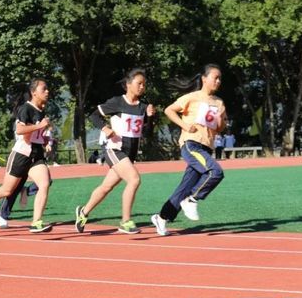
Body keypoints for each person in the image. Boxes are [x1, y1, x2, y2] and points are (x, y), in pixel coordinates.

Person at [75, 68, 156, 235]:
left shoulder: (143, 107)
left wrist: (151, 117)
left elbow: (147, 134)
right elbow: (94, 116)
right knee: (134, 180)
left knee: (106, 187)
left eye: (144, 84)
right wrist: (105, 128)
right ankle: (126, 221)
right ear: (128, 85)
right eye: (138, 83)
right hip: (115, 149)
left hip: (130, 154)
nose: (142, 87)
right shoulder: (117, 102)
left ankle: (83, 212)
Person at [151, 64, 227, 236]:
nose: (218, 81)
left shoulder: (219, 103)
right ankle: (192, 200)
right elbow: (169, 110)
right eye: (215, 77)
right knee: (215, 172)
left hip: (206, 147)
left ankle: (161, 218)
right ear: (204, 79)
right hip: (190, 144)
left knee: (184, 187)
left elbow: (220, 127)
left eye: (220, 78)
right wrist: (185, 125)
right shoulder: (192, 97)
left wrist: (221, 120)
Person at [0, 78, 53, 233]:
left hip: (36, 155)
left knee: (45, 184)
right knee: (7, 191)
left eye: (47, 89)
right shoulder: (26, 109)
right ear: (34, 92)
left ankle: (36, 222)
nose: (47, 91)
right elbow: (20, 131)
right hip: (21, 155)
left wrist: (44, 139)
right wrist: (40, 126)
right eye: (44, 89)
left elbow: (34, 133)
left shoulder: (42, 111)